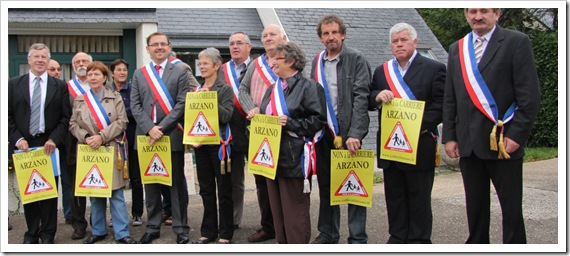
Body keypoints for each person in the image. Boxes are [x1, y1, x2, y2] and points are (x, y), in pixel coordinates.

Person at [442, 8, 541, 244]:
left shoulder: (516, 42)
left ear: (497, 13)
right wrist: (450, 136)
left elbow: (530, 96)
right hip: (468, 143)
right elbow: (451, 97)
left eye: (484, 10)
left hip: (503, 141)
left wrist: (517, 135)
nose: (477, 16)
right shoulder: (458, 48)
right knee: (475, 209)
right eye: (472, 11)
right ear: (466, 14)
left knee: (511, 209)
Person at [369, 23, 445, 244]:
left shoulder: (434, 68)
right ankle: (398, 236)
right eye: (395, 41)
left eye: (403, 40)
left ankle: (419, 240)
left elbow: (442, 104)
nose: (399, 44)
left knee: (419, 196)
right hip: (391, 144)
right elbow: (369, 98)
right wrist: (377, 95)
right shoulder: (382, 71)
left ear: (415, 41)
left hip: (419, 142)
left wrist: (416, 124)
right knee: (394, 196)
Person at [310, 14, 372, 244]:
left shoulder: (356, 59)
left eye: (335, 32)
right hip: (324, 134)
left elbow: (361, 97)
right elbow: (314, 98)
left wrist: (356, 133)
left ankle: (357, 237)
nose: (331, 37)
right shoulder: (317, 61)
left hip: (349, 135)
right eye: (326, 33)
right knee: (326, 186)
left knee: (354, 188)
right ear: (321, 38)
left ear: (343, 34)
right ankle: (328, 233)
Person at [260, 42, 326, 244]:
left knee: (294, 210)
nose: (272, 64)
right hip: (271, 156)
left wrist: (291, 123)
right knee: (277, 210)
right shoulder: (272, 89)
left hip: (294, 156)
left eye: (276, 59)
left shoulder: (309, 87)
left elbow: (318, 121)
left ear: (291, 61)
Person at [131, 32, 191, 244]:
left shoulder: (181, 71)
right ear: (147, 48)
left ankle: (181, 227)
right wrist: (149, 129)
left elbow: (182, 103)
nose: (159, 48)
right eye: (154, 45)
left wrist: (162, 128)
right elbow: (135, 105)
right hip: (147, 138)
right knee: (152, 184)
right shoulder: (139, 73)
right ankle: (153, 226)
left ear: (169, 47)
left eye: (162, 44)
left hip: (171, 135)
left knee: (176, 185)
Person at [8, 43, 71, 243]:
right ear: (29, 60)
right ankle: (32, 232)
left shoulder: (59, 86)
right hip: (24, 146)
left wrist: (54, 139)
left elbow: (65, 117)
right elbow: (7, 116)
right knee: (31, 193)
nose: (40, 60)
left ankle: (48, 233)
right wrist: (18, 139)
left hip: (48, 145)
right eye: (36, 57)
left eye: (44, 57)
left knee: (50, 193)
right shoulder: (14, 83)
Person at [68, 61, 136, 244]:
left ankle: (122, 232)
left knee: (115, 193)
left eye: (96, 74)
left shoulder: (115, 97)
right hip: (90, 149)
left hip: (111, 148)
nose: (92, 78)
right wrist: (85, 137)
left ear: (105, 77)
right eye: (90, 75)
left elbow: (122, 122)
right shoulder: (80, 99)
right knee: (95, 192)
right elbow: (73, 124)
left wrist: (101, 136)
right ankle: (98, 230)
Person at [238, 24, 288, 243]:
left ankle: (286, 225)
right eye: (265, 35)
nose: (268, 38)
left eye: (272, 34)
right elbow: (242, 89)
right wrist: (251, 108)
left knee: (284, 181)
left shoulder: (291, 59)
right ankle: (268, 226)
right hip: (259, 132)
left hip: (285, 130)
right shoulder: (256, 64)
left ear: (282, 37)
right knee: (262, 182)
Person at [191, 47, 235, 244]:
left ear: (217, 66)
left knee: (224, 189)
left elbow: (226, 115)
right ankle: (208, 231)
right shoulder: (196, 90)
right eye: (200, 64)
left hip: (220, 146)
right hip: (201, 145)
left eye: (205, 63)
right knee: (206, 190)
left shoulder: (224, 89)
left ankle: (226, 232)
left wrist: (209, 99)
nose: (201, 67)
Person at [219, 31, 253, 230]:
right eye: (232, 43)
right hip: (231, 129)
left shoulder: (259, 68)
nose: (235, 46)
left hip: (257, 127)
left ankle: (269, 221)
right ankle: (233, 219)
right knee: (234, 179)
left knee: (264, 179)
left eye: (239, 43)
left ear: (249, 46)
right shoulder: (222, 70)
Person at [109, 59, 144, 227]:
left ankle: (137, 213)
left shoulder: (133, 90)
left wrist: (117, 114)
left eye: (124, 70)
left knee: (136, 177)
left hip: (132, 137)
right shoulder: (105, 90)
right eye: (119, 70)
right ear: (112, 73)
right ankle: (114, 215)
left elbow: (136, 110)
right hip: (111, 140)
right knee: (113, 179)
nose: (122, 73)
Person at [66, 52, 92, 240]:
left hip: (100, 140)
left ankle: (99, 222)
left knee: (101, 181)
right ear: (73, 66)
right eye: (77, 62)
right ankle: (79, 224)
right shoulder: (65, 87)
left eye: (84, 61)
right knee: (77, 185)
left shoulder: (102, 85)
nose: (81, 64)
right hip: (74, 141)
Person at [46, 58, 72, 225]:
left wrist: (55, 137)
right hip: (42, 145)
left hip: (62, 141)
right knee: (47, 183)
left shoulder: (63, 87)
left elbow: (66, 115)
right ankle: (47, 219)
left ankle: (69, 215)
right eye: (52, 69)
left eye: (58, 69)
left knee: (67, 182)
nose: (56, 72)